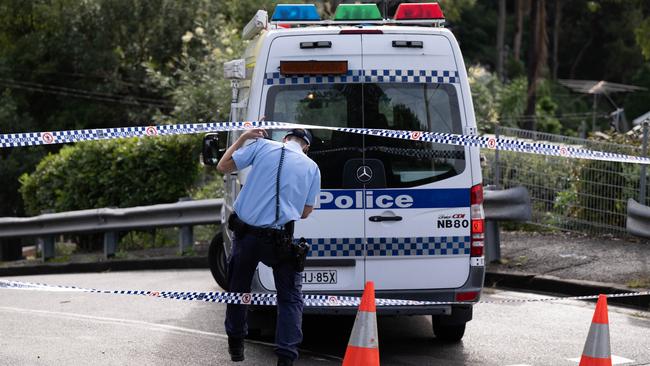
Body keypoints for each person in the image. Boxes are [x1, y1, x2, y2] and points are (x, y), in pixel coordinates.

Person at [216, 128, 321, 366]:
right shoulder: (312, 167)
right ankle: (286, 357)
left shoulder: (262, 146)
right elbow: (305, 212)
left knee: (239, 290)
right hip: (280, 241)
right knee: (290, 299)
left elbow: (223, 166)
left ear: (284, 138)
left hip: (247, 237)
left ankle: (236, 344)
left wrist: (242, 138)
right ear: (306, 146)